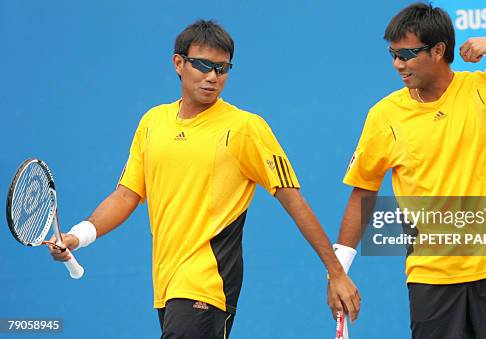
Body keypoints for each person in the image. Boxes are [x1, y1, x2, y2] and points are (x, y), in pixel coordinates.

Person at [48, 19, 360, 339]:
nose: (213, 76)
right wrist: (77, 236)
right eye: (203, 65)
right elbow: (126, 196)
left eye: (222, 69)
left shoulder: (246, 128)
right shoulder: (152, 123)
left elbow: (293, 200)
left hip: (208, 283)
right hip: (167, 285)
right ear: (179, 63)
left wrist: (335, 272)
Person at [331, 3, 486, 339]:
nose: (398, 64)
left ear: (438, 50)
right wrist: (338, 271)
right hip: (431, 278)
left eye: (406, 54)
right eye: (392, 54)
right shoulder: (383, 115)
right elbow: (363, 190)